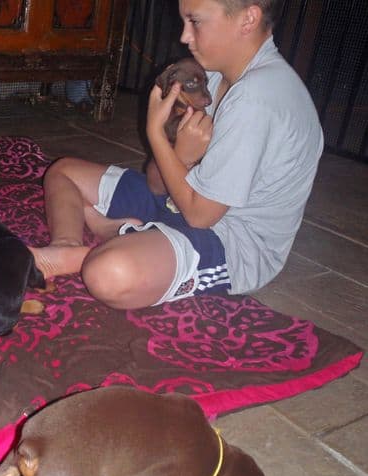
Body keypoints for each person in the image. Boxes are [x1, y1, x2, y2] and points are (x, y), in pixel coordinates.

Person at [29, 0, 323, 309]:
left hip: (229, 240)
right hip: (183, 200)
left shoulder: (257, 98)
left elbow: (200, 216)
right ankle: (68, 246)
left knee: (108, 273)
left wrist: (156, 134)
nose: (184, 36)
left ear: (248, 19)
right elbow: (158, 184)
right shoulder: (212, 79)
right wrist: (178, 155)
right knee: (63, 172)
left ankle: (104, 245)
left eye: (194, 21)